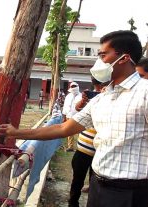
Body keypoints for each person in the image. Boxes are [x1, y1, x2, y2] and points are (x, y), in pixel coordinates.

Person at [0, 30, 148, 207]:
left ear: (123, 58)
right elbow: (63, 128)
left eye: (103, 55)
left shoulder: (144, 93)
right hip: (98, 186)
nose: (98, 62)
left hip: (132, 193)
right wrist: (18, 132)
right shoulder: (102, 98)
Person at [68, 77, 104, 207]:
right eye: (97, 87)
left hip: (99, 151)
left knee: (95, 182)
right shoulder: (90, 98)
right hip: (83, 149)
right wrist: (84, 100)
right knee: (77, 180)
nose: (98, 90)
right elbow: (78, 109)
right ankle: (73, 203)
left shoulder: (111, 99)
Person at [62, 82, 81, 152]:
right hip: (69, 116)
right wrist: (64, 117)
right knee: (69, 132)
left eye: (74, 86)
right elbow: (65, 107)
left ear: (77, 86)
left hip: (78, 117)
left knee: (80, 132)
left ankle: (80, 147)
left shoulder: (81, 96)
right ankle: (70, 146)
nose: (73, 87)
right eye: (72, 86)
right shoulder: (68, 96)